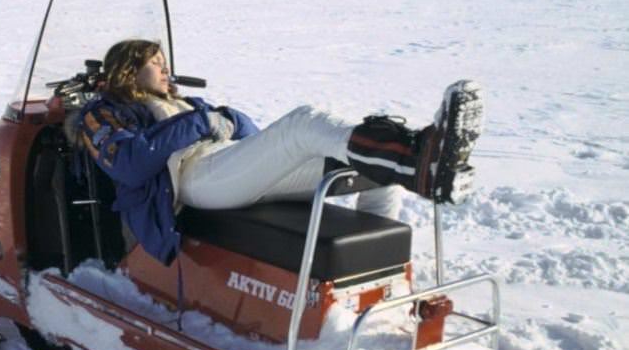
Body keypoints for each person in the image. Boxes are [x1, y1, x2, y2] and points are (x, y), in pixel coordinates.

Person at [75, 39, 483, 265]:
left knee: (368, 168)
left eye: (165, 63)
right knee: (303, 122)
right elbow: (130, 165)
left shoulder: (188, 104)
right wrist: (203, 122)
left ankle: (382, 271)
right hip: (192, 182)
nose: (166, 70)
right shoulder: (104, 113)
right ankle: (418, 162)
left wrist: (224, 119)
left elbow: (252, 138)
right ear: (128, 71)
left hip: (227, 169)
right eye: (156, 63)